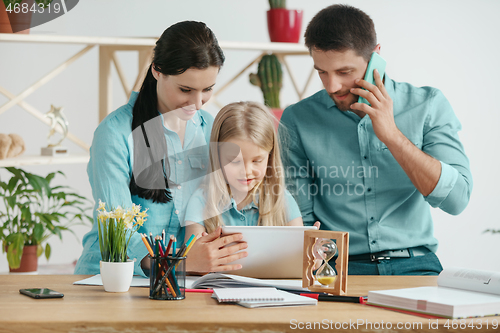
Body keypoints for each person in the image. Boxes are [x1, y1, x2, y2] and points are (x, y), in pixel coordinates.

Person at [279, 5, 472, 275]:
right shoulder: (298, 119)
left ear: (375, 57)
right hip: (338, 268)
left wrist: (391, 135)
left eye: (344, 72)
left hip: (415, 264)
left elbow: (457, 200)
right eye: (322, 72)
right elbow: (302, 219)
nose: (332, 85)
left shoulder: (427, 105)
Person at [74, 21, 246, 277]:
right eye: (185, 89)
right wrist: (181, 263)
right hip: (113, 279)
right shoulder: (115, 133)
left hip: (182, 281)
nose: (197, 103)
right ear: (156, 70)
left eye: (207, 89)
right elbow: (118, 232)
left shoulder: (211, 128)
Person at [184, 101, 316, 273]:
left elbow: (304, 263)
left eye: (257, 161)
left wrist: (315, 256)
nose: (246, 171)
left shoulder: (281, 199)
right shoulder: (201, 201)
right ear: (217, 156)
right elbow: (192, 262)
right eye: (234, 161)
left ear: (270, 157)